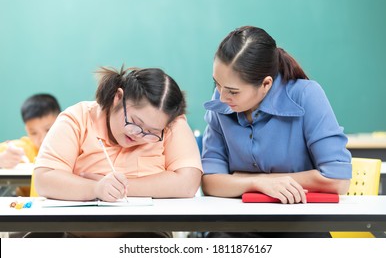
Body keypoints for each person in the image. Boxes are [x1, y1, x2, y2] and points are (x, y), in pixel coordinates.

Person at [201, 26, 352, 238]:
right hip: (238, 226)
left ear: (265, 84)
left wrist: (245, 180)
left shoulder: (306, 95)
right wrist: (257, 182)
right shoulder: (222, 104)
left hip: (300, 225)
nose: (222, 96)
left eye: (233, 91)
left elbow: (337, 180)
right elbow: (210, 182)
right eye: (217, 84)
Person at [31, 66, 203, 238]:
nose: (138, 135)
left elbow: (187, 184)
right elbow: (44, 179)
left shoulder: (171, 125)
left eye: (151, 132)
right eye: (135, 122)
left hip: (145, 235)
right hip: (78, 236)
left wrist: (120, 188)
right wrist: (96, 188)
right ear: (118, 97)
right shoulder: (78, 118)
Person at [0, 94, 61, 196]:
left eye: (48, 130)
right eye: (33, 133)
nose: (42, 139)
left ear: (61, 122)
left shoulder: (72, 147)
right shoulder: (25, 148)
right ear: (26, 130)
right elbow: (7, 149)